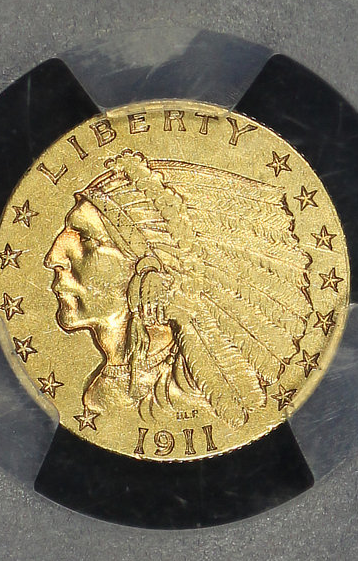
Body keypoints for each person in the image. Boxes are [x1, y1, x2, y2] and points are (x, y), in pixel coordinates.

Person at [44, 147, 312, 430]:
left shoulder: (178, 397)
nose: (53, 258)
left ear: (153, 271)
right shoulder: (109, 389)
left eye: (86, 239)